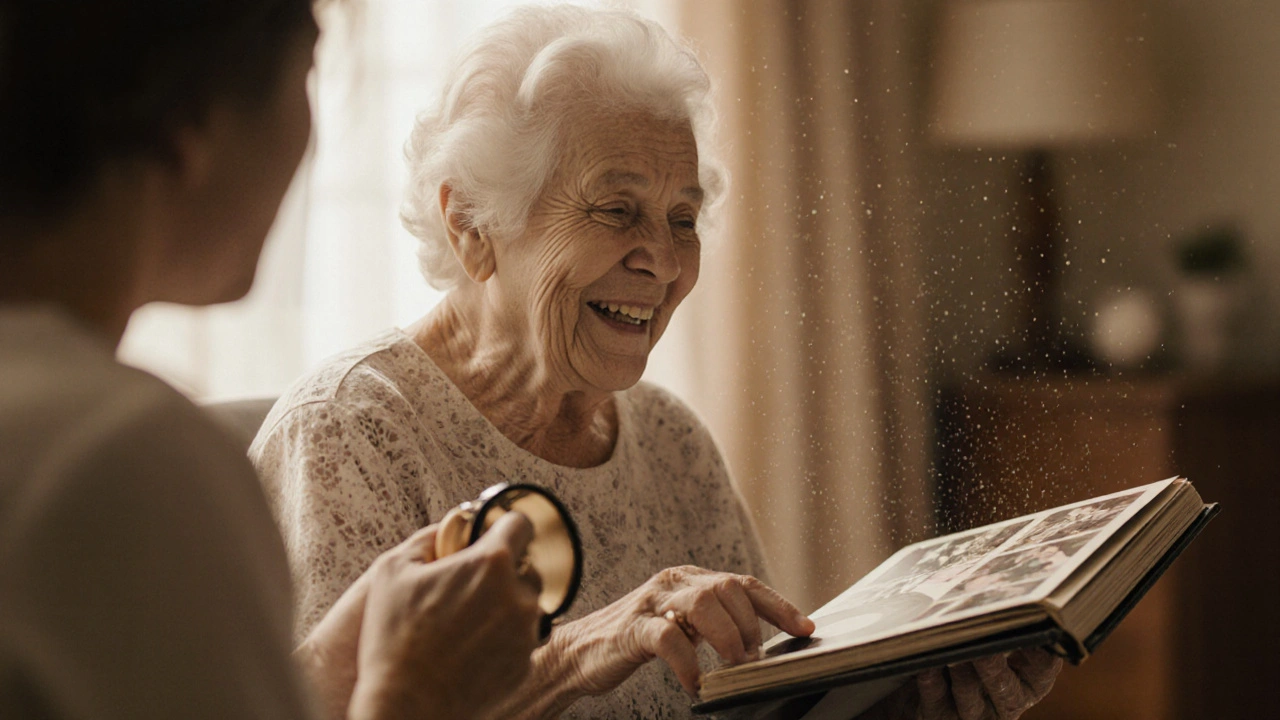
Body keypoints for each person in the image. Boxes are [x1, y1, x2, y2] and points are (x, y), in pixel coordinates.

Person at [251, 4, 1062, 718]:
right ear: (470, 223)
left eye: (683, 218)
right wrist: (581, 651)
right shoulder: (350, 436)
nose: (664, 262)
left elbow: (763, 705)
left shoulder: (669, 440)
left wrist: (915, 705)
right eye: (617, 209)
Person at [0, 2, 542, 719]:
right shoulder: (124, 458)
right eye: (310, 71)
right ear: (189, 119)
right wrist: (418, 694)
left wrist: (318, 672)